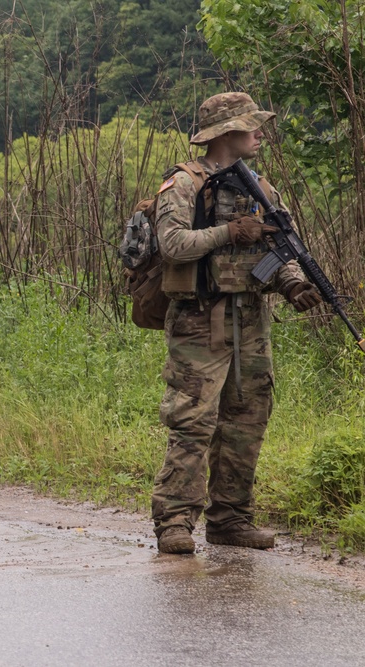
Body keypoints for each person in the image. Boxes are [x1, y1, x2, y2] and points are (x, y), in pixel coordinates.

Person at [151, 92, 323, 554]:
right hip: (199, 319)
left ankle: (230, 518)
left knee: (248, 418)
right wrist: (229, 231)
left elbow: (274, 250)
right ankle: (174, 522)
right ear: (226, 133)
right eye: (251, 127)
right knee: (192, 420)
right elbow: (172, 245)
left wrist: (292, 285)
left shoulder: (261, 188)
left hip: (251, 317)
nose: (259, 134)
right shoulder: (183, 184)